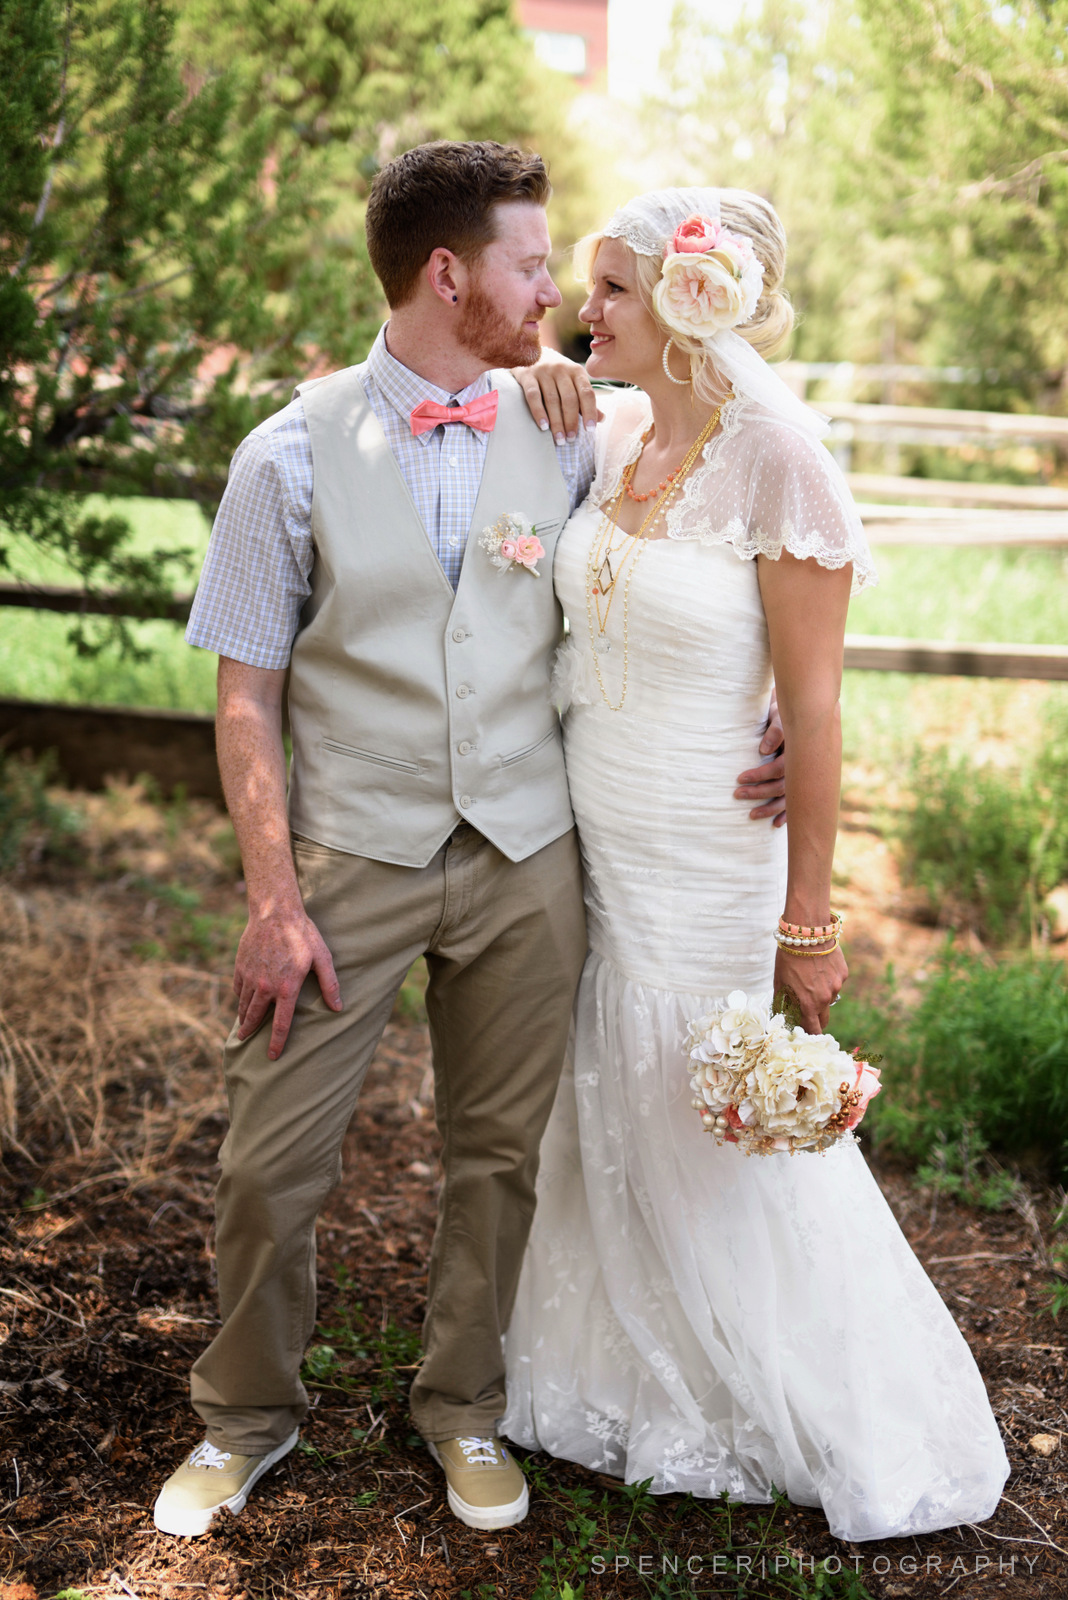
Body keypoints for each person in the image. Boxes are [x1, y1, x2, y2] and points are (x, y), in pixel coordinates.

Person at [150, 144, 787, 1540]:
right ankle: (244, 1418)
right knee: (269, 1161)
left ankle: (465, 1405)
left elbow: (718, 526)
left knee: (502, 1155)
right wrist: (273, 899)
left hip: (526, 851)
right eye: (532, 266)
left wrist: (783, 705)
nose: (556, 294)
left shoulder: (571, 426)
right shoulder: (284, 455)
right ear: (449, 274)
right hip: (350, 857)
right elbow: (246, 695)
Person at [501, 187, 1010, 1542]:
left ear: (690, 302)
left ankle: (790, 1392)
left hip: (711, 845)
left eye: (610, 290)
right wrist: (548, 371)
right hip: (597, 831)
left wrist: (808, 923)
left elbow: (818, 709)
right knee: (608, 1078)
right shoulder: (614, 432)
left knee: (701, 1094)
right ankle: (618, 1367)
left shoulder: (780, 458)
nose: (584, 312)